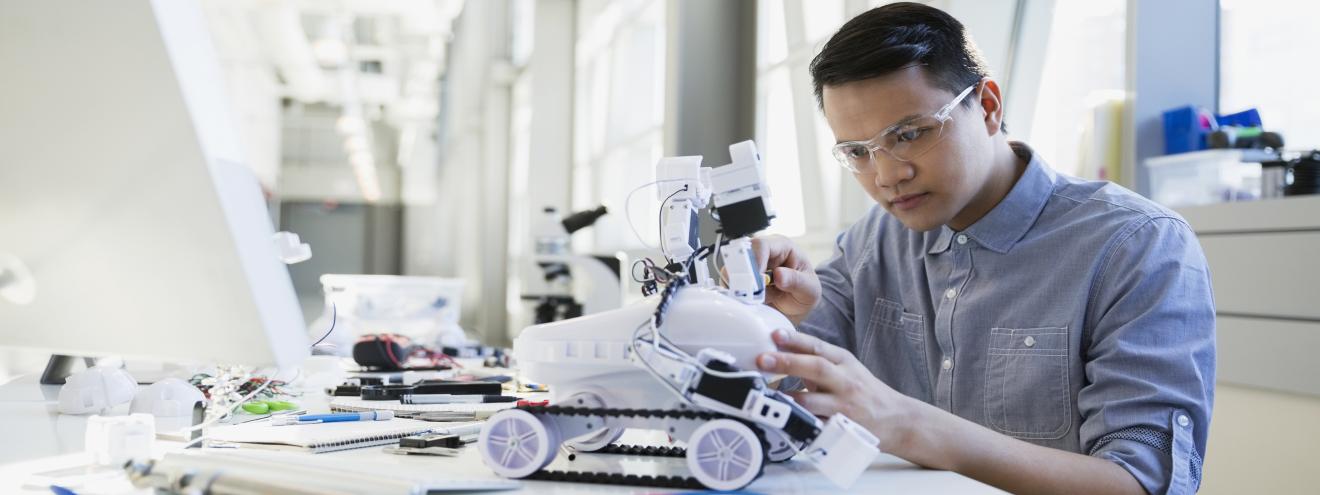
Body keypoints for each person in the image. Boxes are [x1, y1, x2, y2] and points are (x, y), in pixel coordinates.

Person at [751, 3, 1215, 494]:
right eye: (859, 153)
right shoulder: (875, 240)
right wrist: (774, 317)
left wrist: (911, 426)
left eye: (910, 134)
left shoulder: (1138, 245)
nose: (887, 176)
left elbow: (1140, 484)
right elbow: (776, 387)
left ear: (989, 106)